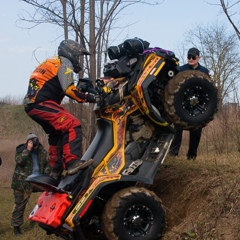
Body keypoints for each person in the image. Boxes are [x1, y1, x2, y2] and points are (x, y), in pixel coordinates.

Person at [23, 39, 98, 179]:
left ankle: (55, 171)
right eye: (78, 56)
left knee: (56, 134)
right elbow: (69, 90)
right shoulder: (65, 62)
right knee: (72, 124)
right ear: (71, 52)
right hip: (41, 102)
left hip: (32, 105)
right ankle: (72, 162)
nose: (78, 60)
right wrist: (90, 97)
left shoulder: (51, 62)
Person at [169, 47, 211, 160]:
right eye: (189, 57)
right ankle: (173, 155)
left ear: (199, 58)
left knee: (196, 131)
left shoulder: (204, 71)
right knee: (177, 130)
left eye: (193, 57)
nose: (191, 59)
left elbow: (209, 89)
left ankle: (192, 157)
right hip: (182, 105)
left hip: (198, 106)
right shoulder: (181, 70)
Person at [11, 133, 51, 236]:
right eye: (31, 141)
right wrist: (28, 149)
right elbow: (19, 161)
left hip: (39, 181)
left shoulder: (41, 151)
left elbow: (48, 163)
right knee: (20, 205)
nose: (34, 143)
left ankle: (48, 218)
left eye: (35, 140)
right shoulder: (22, 150)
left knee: (52, 193)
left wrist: (46, 175)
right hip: (23, 182)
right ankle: (16, 227)